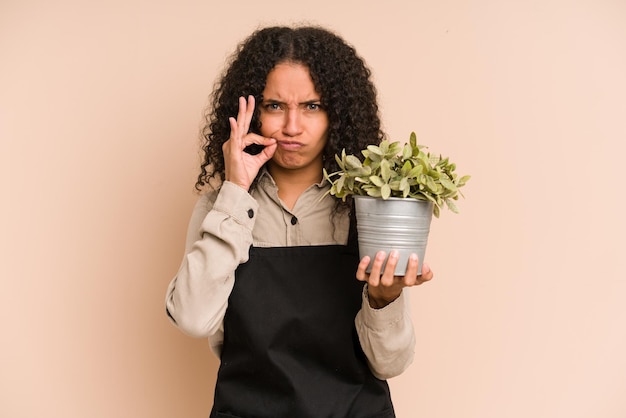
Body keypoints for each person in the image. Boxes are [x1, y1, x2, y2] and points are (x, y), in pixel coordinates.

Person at [165, 25, 434, 418]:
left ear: (337, 113)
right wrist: (236, 191)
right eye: (275, 106)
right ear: (251, 112)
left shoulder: (370, 214)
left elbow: (389, 364)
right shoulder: (220, 209)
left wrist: (384, 299)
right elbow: (192, 319)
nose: (292, 127)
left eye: (312, 106)